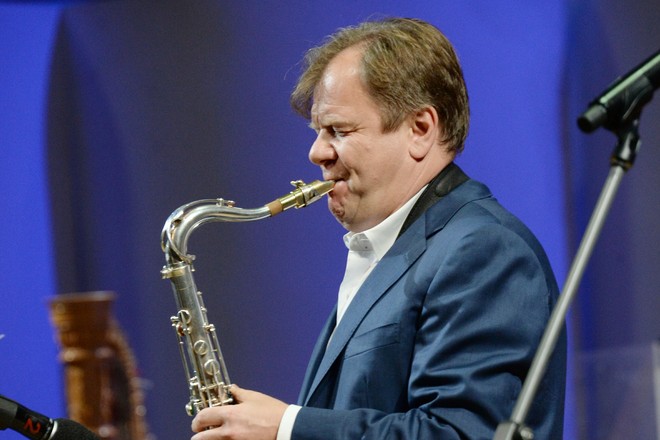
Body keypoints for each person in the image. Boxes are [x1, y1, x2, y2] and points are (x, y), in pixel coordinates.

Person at [191, 17, 566, 440]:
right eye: (318, 132)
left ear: (420, 129)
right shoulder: (398, 248)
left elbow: (462, 434)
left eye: (338, 130)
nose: (316, 152)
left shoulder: (485, 250)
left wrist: (288, 428)